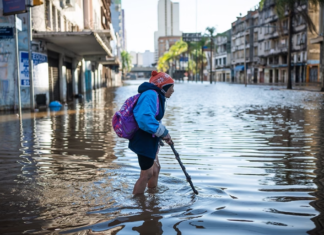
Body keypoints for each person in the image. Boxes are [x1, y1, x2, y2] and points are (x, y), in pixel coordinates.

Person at [129, 71, 175, 195]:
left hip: (150, 137)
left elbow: (155, 120)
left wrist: (163, 136)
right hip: (143, 138)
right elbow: (144, 118)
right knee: (147, 173)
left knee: (155, 169)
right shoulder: (150, 95)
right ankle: (138, 203)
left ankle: (152, 200)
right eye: (171, 87)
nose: (173, 90)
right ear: (163, 87)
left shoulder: (157, 96)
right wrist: (163, 132)